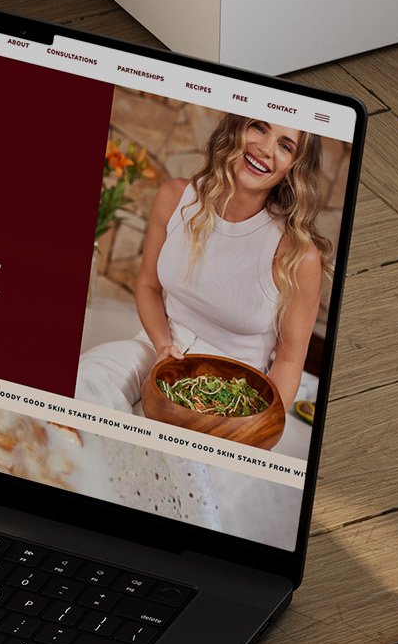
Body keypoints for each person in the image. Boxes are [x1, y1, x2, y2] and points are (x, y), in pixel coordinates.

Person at [78, 113, 331, 416]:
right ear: (238, 129)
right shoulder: (175, 197)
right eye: (259, 127)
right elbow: (147, 285)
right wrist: (161, 347)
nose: (265, 148)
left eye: (285, 146)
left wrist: (256, 424)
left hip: (234, 389)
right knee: (88, 380)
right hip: (159, 349)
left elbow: (289, 360)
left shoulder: (297, 254)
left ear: (293, 170)